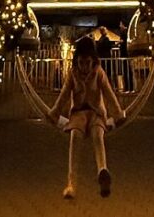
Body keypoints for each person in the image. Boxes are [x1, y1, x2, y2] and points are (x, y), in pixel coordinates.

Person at [47, 35, 125, 199]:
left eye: (87, 63)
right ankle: (71, 184)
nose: (84, 67)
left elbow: (109, 94)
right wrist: (55, 112)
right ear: (77, 62)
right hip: (78, 114)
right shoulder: (73, 74)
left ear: (93, 61)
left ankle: (102, 171)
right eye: (81, 63)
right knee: (75, 138)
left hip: (96, 113)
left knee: (98, 135)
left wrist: (117, 114)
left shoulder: (99, 73)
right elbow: (64, 95)